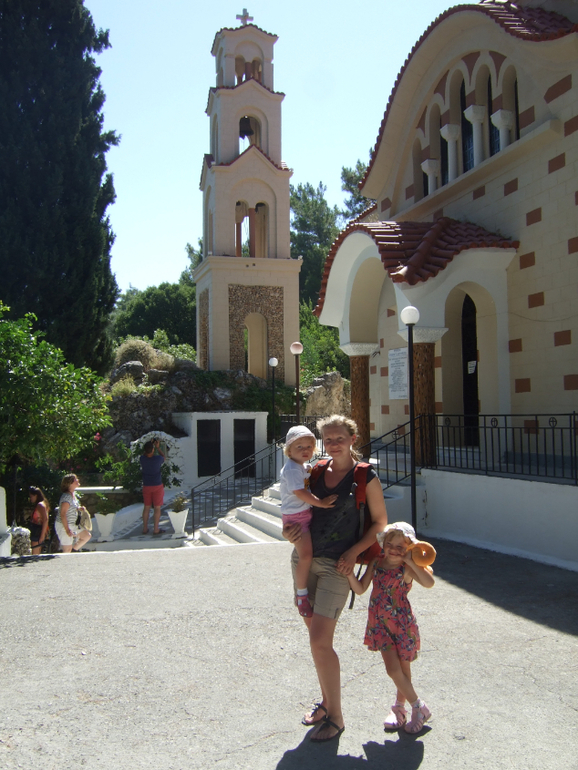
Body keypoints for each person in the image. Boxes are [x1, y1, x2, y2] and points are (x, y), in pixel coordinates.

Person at [283, 414, 388, 743]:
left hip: (337, 566)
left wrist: (355, 552)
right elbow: (295, 507)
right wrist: (288, 533)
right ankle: (327, 703)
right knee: (317, 642)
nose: (333, 444)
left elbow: (380, 523)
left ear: (353, 439)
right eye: (327, 439)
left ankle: (337, 717)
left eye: (339, 438)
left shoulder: (365, 476)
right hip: (304, 559)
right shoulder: (314, 471)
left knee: (319, 641)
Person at [348, 522, 435, 733]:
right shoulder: (376, 563)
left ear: (408, 548)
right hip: (380, 624)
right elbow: (360, 588)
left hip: (402, 625)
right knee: (393, 670)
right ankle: (418, 707)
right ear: (383, 544)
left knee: (403, 671)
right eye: (390, 544)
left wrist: (410, 560)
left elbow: (429, 583)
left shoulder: (406, 568)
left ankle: (401, 708)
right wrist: (349, 574)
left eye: (400, 547)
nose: (394, 550)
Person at [279, 426, 337, 618]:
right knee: (305, 556)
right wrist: (320, 503)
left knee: (306, 554)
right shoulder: (292, 469)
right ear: (289, 451)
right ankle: (302, 594)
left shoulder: (301, 467)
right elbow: (300, 492)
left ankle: (302, 592)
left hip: (302, 514)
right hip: (297, 518)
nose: (305, 450)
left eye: (309, 446)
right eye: (299, 447)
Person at [55, 474, 92, 553]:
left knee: (86, 536)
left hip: (72, 524)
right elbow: (63, 514)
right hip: (64, 525)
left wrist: (79, 509)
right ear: (69, 483)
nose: (78, 480)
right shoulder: (66, 497)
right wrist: (67, 530)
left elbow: (70, 508)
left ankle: (73, 551)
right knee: (67, 549)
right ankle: (68, 557)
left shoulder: (72, 495)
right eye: (75, 480)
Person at [140, 438, 166, 535]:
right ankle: (156, 529)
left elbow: (144, 454)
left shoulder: (142, 459)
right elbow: (164, 457)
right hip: (157, 485)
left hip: (146, 486)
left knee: (146, 507)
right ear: (153, 450)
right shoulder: (158, 459)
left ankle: (145, 528)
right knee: (157, 508)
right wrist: (158, 447)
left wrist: (150, 445)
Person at [28, 486, 49, 555]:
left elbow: (45, 519)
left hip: (37, 532)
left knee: (35, 554)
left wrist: (42, 536)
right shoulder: (43, 503)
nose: (30, 499)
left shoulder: (40, 505)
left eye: (31, 496)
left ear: (36, 495)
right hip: (38, 531)